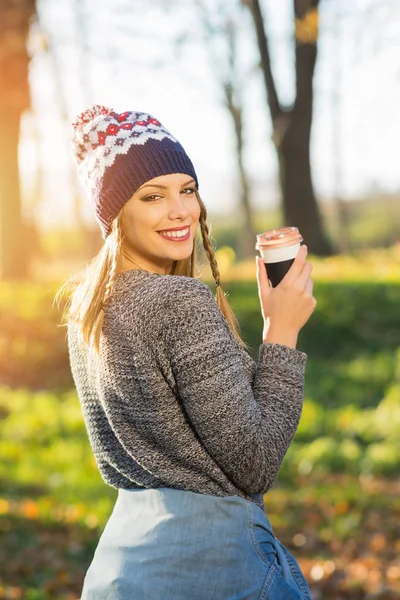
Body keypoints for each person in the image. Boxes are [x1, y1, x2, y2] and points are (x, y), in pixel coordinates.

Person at [58, 104, 317, 599]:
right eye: (153, 196)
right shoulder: (179, 302)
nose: (180, 211)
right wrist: (281, 329)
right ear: (115, 213)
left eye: (188, 190)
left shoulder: (88, 312)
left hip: (124, 566)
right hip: (213, 571)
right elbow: (255, 463)